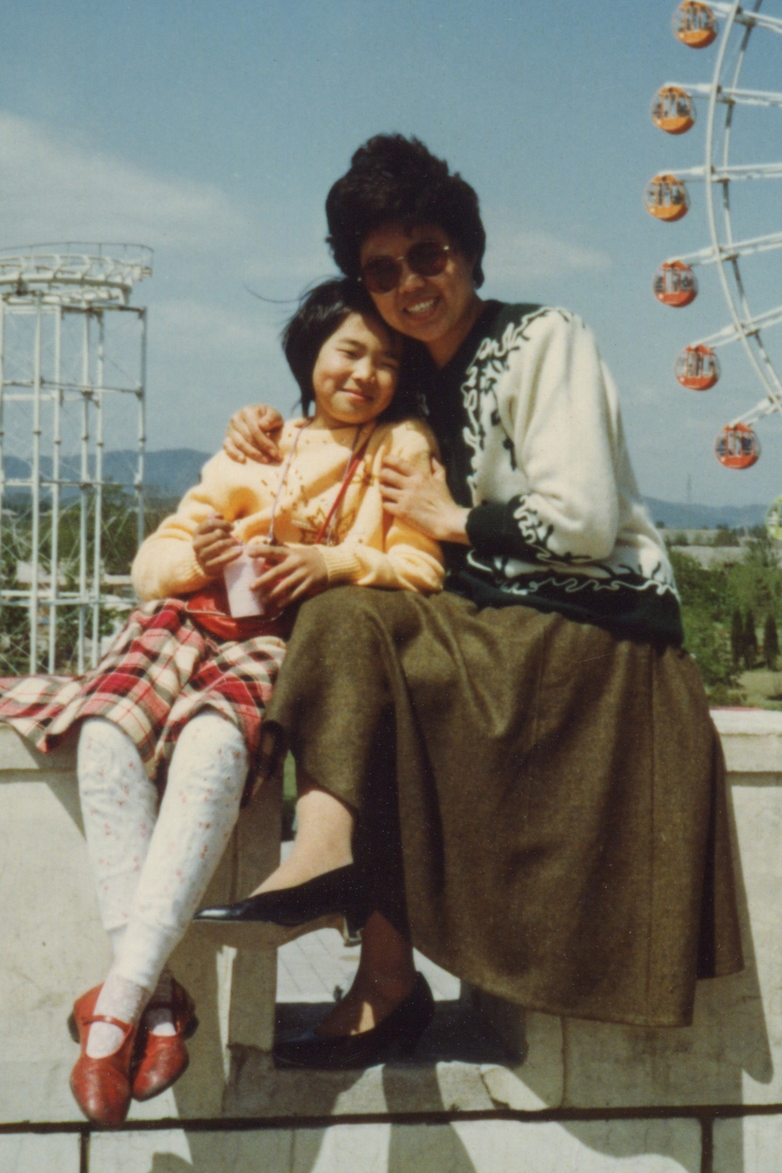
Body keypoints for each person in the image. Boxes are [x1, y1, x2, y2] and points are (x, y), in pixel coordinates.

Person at [194, 134, 742, 1068]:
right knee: (347, 631)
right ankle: (376, 950)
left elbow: (584, 521)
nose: (410, 281)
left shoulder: (546, 338)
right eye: (382, 269)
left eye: (428, 254)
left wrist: (456, 517)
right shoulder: (408, 381)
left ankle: (357, 921)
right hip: (485, 622)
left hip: (591, 623)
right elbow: (326, 430)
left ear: (469, 250)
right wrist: (263, 425)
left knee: (350, 625)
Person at [0, 278, 445, 1124]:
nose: (366, 373)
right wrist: (201, 554)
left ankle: (110, 1017)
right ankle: (159, 1004)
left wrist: (329, 565)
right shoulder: (258, 442)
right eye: (349, 351)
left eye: (387, 361)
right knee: (105, 735)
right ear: (309, 356)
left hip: (274, 642)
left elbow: (421, 567)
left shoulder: (402, 446)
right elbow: (153, 563)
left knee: (215, 746)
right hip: (184, 620)